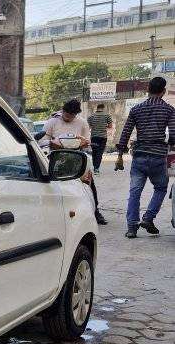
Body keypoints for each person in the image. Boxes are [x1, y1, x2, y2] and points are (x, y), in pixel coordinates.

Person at [115, 76, 175, 238]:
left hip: (139, 156)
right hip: (159, 157)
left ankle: (131, 228)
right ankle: (148, 218)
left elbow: (125, 133)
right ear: (163, 91)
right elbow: (174, 135)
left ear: (147, 90)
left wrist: (120, 155)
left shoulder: (136, 109)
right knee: (161, 188)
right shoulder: (169, 110)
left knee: (135, 191)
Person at [44, 98, 107, 225]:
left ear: (76, 114)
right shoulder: (52, 122)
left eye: (72, 116)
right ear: (63, 111)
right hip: (57, 158)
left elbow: (87, 140)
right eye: (66, 115)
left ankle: (96, 211)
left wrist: (83, 143)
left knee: (88, 183)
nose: (68, 118)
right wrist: (52, 143)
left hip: (76, 157)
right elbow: (41, 140)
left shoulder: (82, 123)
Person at [88, 102, 114, 173]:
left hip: (94, 136)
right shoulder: (107, 115)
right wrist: (104, 126)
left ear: (97, 108)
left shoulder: (91, 116)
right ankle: (97, 168)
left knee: (94, 152)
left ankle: (94, 166)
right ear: (103, 108)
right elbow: (110, 126)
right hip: (103, 137)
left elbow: (89, 127)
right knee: (100, 152)